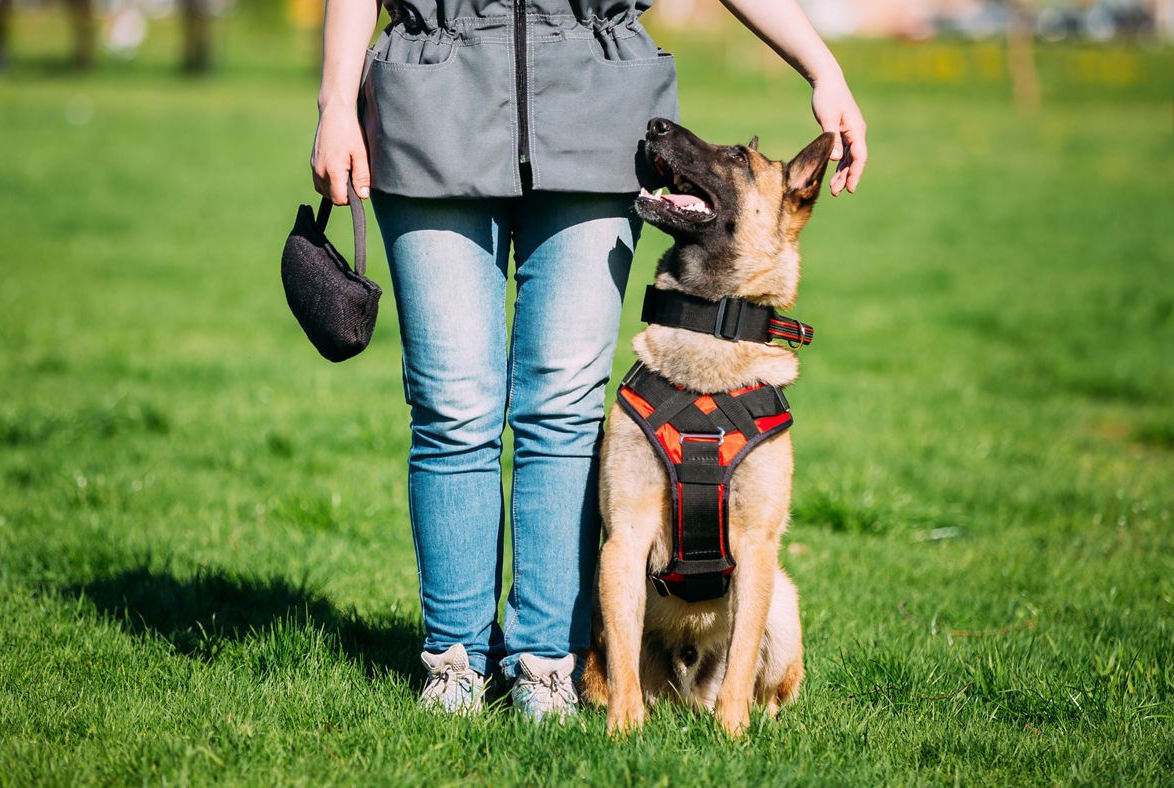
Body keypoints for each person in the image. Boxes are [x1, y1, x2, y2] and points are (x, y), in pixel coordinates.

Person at [310, 0, 866, 720]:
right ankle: (454, 663)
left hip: (595, 107)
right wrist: (335, 100)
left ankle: (546, 665)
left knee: (564, 410)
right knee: (451, 406)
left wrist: (823, 66)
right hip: (429, 101)